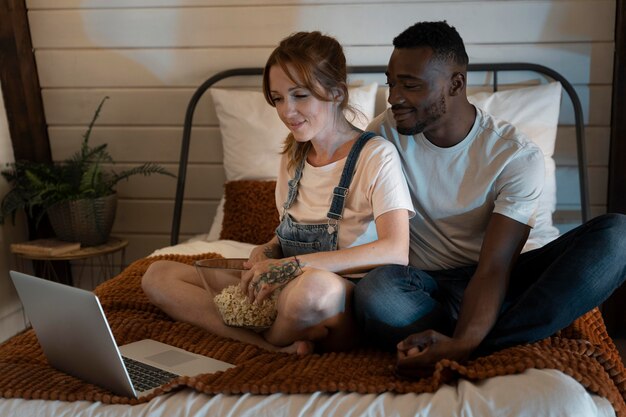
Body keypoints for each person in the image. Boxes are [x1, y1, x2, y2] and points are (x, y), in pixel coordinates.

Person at [353, 21, 626, 378]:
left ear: (456, 84)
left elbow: (495, 266)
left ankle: (466, 345)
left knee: (618, 236)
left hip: (498, 279)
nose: (394, 97)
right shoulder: (381, 136)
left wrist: (464, 342)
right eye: (391, 82)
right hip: (421, 288)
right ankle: (498, 337)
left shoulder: (514, 155)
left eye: (410, 85)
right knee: (376, 293)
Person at [142, 31, 414, 354]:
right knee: (158, 275)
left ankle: (261, 339)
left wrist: (294, 266)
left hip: (338, 297)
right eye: (278, 98)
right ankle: (275, 346)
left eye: (299, 95)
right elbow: (288, 231)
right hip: (283, 283)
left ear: (337, 92)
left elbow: (396, 250)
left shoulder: (375, 156)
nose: (287, 111)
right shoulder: (292, 156)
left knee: (309, 290)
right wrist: (269, 250)